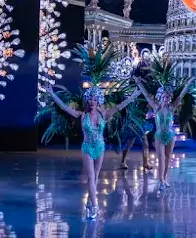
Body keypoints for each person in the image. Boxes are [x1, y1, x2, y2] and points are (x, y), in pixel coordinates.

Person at [44, 84, 140, 220]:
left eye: (95, 99)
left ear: (98, 100)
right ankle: (95, 207)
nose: (92, 101)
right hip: (87, 148)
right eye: (90, 99)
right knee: (90, 178)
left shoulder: (104, 114)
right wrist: (52, 94)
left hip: (100, 147)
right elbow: (64, 107)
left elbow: (120, 107)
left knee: (95, 178)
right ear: (87, 100)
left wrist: (133, 96)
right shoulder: (82, 115)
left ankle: (89, 204)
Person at [137, 78, 192, 190]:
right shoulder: (156, 107)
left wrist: (188, 83)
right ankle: (161, 180)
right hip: (159, 136)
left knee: (167, 158)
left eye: (167, 97)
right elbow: (146, 95)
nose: (165, 99)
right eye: (163, 97)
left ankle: (164, 179)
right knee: (161, 158)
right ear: (160, 97)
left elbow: (181, 95)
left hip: (170, 136)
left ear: (169, 98)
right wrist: (138, 82)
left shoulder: (172, 108)